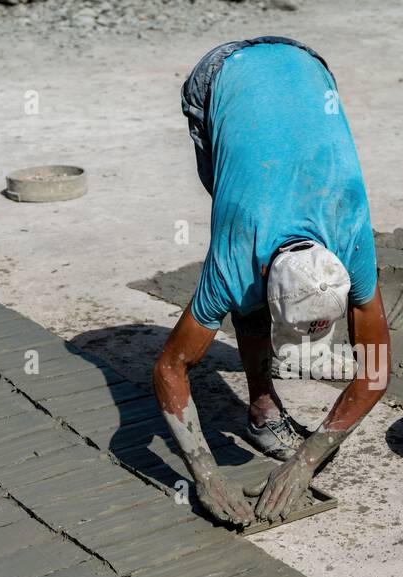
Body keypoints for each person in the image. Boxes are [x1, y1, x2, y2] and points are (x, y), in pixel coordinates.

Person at [152, 36, 390, 527]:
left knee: (253, 293)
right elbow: (170, 368)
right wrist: (204, 473)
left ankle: (263, 412)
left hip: (308, 68)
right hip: (219, 77)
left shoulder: (353, 243)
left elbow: (377, 370)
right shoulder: (235, 257)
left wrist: (306, 463)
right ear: (261, 271)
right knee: (245, 297)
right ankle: (262, 409)